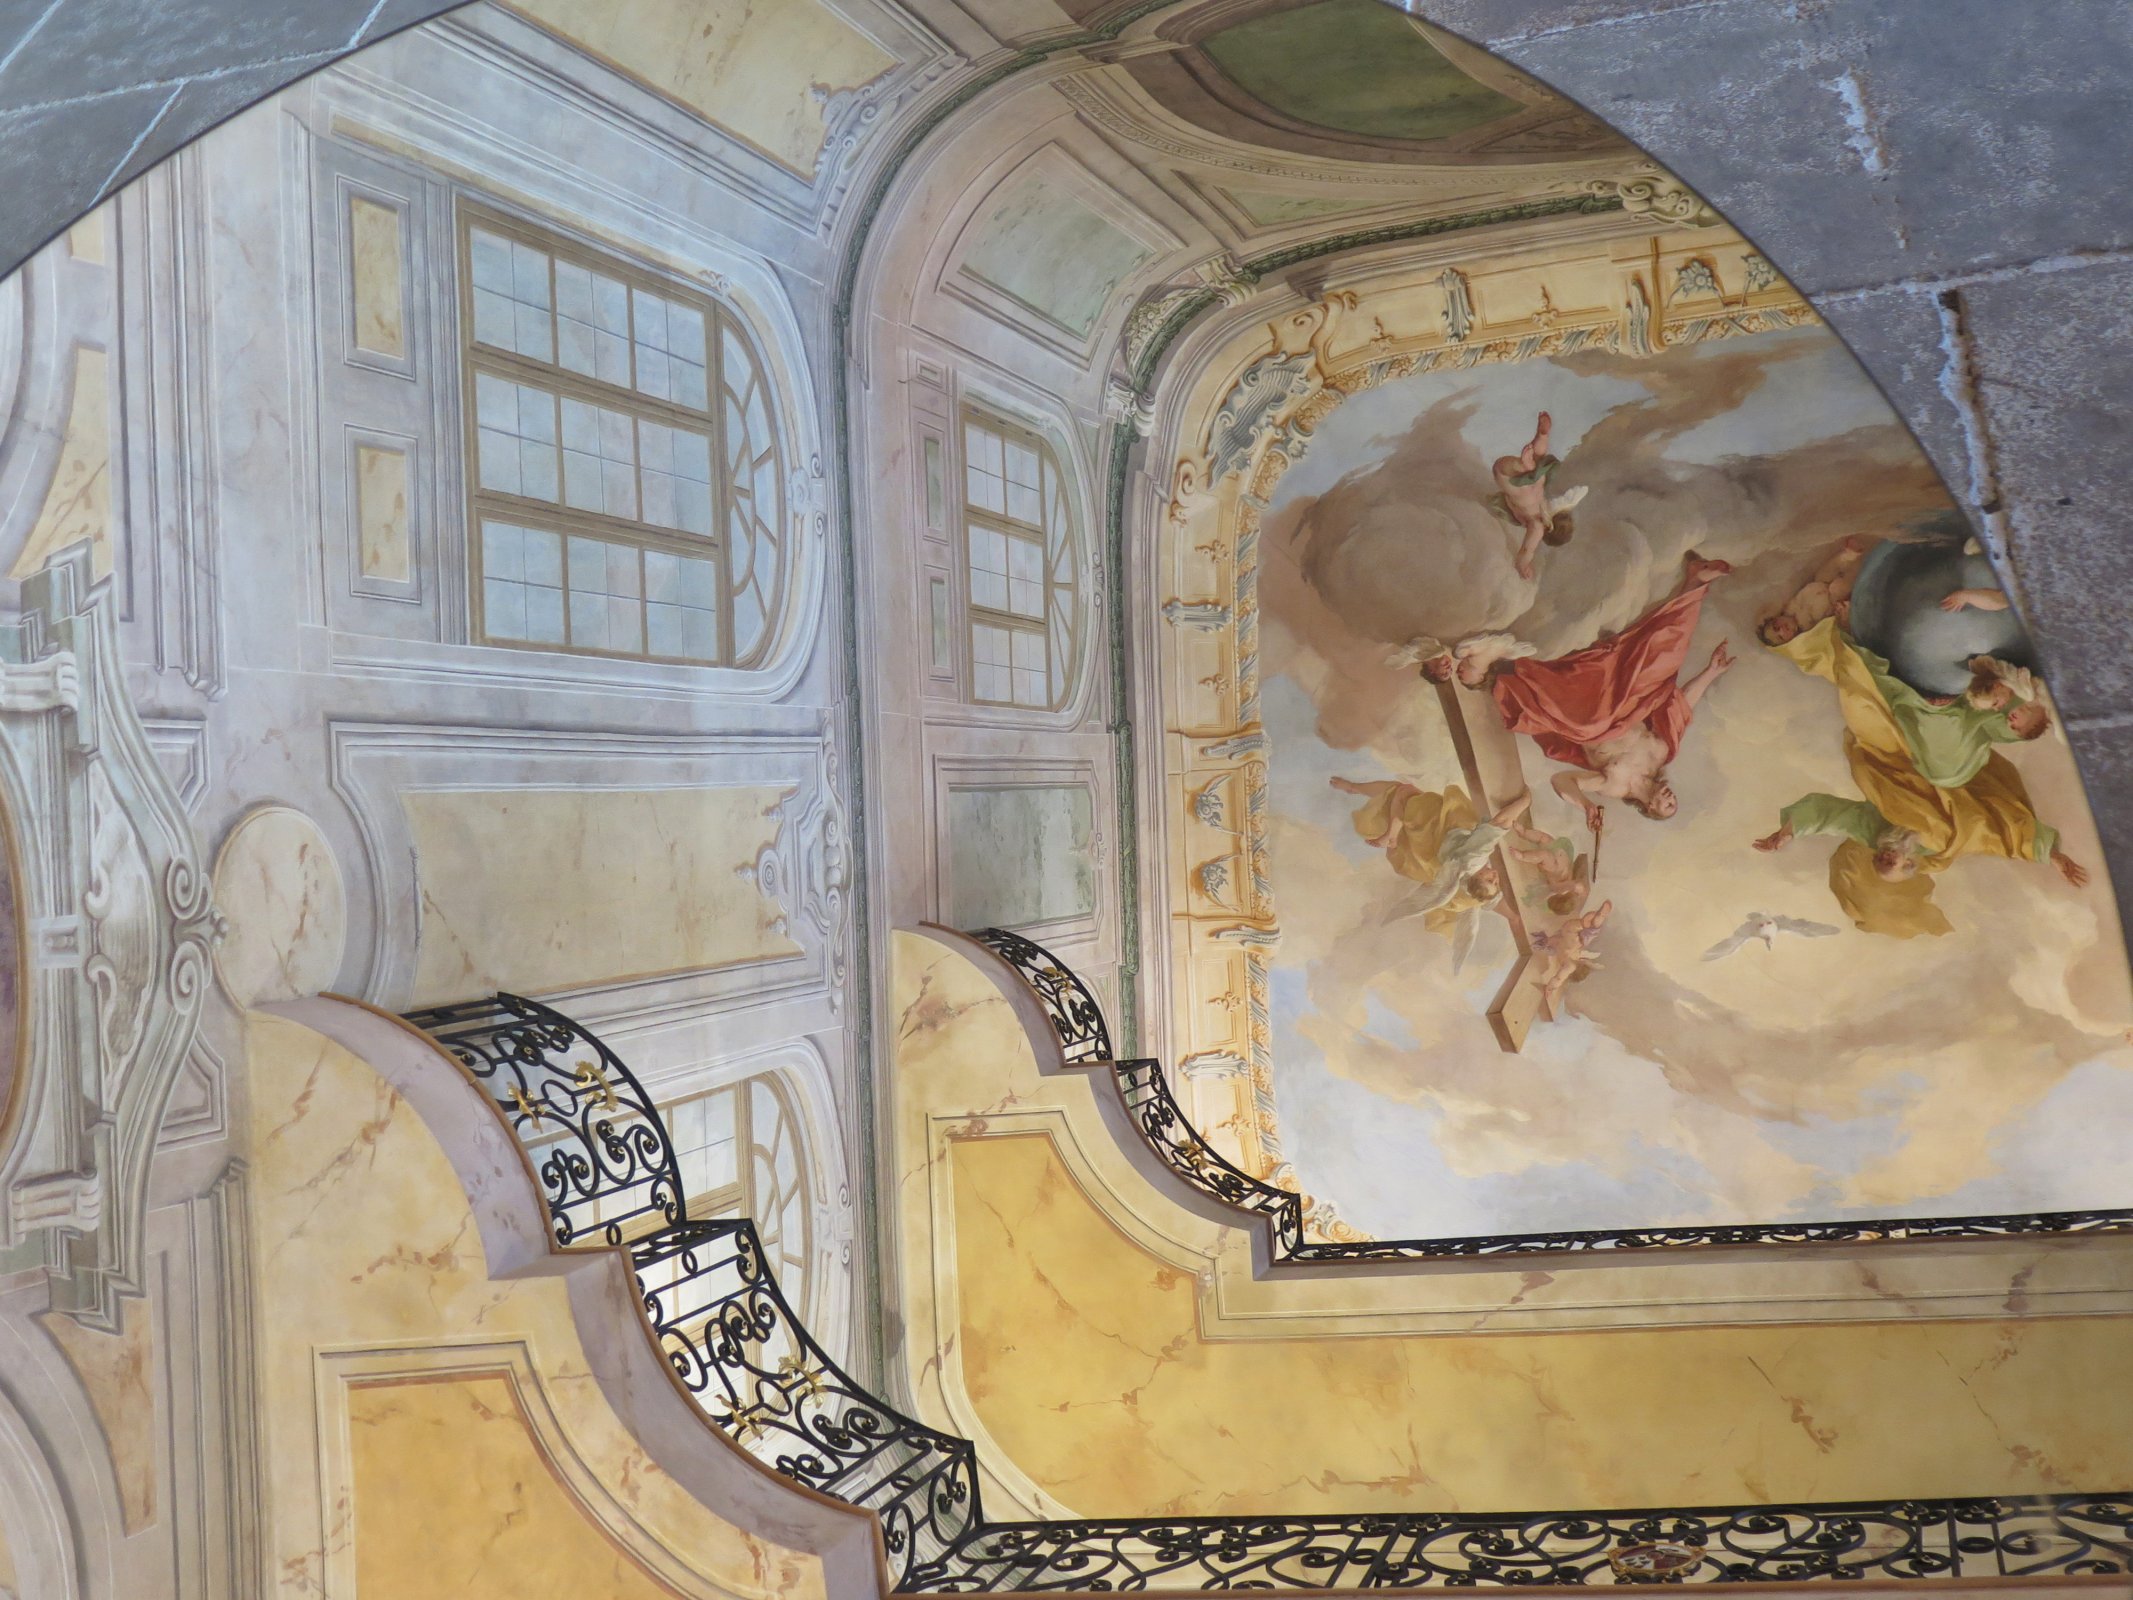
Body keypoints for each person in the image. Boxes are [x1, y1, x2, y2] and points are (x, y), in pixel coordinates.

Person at [1488, 551, 1736, 829]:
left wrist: (1586, 804)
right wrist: (1711, 671)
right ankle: (1695, 581)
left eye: (1667, 805)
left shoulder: (1615, 787)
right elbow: (1681, 706)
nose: (1671, 797)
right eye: (1674, 801)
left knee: (1588, 725)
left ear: (1649, 808)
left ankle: (1514, 670)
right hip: (1625, 699)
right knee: (1666, 658)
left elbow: (1561, 780)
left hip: (1589, 720)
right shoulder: (1661, 755)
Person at [1330, 778, 1529, 932]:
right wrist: (1512, 917)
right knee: (1400, 795)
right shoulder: (1468, 883)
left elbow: (1502, 822)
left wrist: (1525, 801)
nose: (1495, 877)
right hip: (1432, 851)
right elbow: (1491, 901)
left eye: (1489, 880)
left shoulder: (1475, 856)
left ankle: (1389, 832)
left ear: (1476, 878)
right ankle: (1366, 802)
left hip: (1439, 829)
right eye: (1495, 882)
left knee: (1402, 791)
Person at [1491, 410, 1587, 580]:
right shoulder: (1537, 527)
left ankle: (1541, 437)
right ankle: (1524, 465)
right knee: (1511, 469)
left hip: (1535, 481)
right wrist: (1523, 565)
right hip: (1512, 482)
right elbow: (1527, 549)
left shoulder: (1545, 508)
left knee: (1537, 459)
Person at [1756, 536, 1869, 646]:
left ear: (1776, 618)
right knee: (1839, 586)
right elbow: (1829, 629)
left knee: (1826, 571)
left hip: (1819, 583)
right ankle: (1861, 567)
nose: (1782, 630)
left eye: (1776, 626)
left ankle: (1849, 555)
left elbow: (1767, 610)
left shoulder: (1786, 609)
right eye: (1781, 637)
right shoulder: (1805, 631)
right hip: (1833, 599)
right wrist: (1841, 613)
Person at [1533, 899, 1612, 1014]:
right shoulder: (1570, 964)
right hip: (1570, 939)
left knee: (1588, 929)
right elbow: (1559, 978)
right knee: (1587, 929)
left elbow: (1555, 941)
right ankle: (1599, 917)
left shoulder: (1572, 960)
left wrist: (1546, 942)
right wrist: (1550, 988)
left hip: (1570, 936)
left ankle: (1599, 917)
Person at [1507, 819, 1591, 916]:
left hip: (1553, 867)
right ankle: (1524, 832)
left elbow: (1575, 885)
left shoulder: (1557, 889)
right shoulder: (1567, 891)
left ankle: (1523, 856)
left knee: (1544, 855)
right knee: (1544, 838)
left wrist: (1578, 888)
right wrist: (1581, 893)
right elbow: (1577, 886)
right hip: (1558, 855)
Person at [1393, 631, 1538, 688]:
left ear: (1431, 671)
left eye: (1446, 672)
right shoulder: (1506, 655)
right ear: (1480, 677)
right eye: (1461, 678)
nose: (1454, 670)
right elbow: (1526, 647)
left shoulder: (1457, 652)